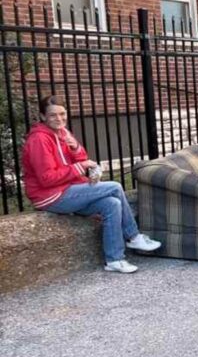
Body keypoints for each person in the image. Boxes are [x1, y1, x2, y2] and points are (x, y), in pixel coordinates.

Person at [21, 95, 161, 273]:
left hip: (68, 189)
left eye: (62, 114)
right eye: (53, 115)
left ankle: (114, 260)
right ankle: (133, 236)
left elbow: (81, 158)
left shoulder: (63, 133)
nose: (59, 119)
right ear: (42, 117)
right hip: (50, 196)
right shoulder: (39, 140)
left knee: (112, 204)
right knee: (115, 187)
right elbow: (47, 178)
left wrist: (75, 148)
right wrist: (80, 167)